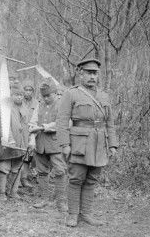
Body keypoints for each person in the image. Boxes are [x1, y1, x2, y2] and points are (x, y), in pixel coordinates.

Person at [57, 58, 118, 227]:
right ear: (80, 73)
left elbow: (110, 123)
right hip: (79, 144)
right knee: (76, 179)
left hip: (99, 144)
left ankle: (87, 214)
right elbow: (62, 121)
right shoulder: (71, 93)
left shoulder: (104, 96)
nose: (92, 77)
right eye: (88, 73)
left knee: (92, 180)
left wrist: (112, 144)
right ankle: (72, 215)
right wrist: (64, 144)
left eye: (95, 73)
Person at [29, 80, 67, 212]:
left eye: (48, 95)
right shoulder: (39, 105)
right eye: (44, 96)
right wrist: (32, 137)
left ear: (55, 93)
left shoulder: (62, 104)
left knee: (60, 171)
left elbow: (62, 122)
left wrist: (43, 127)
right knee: (42, 172)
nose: (46, 98)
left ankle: (61, 202)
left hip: (56, 144)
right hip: (40, 144)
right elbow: (32, 122)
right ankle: (44, 199)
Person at [0, 84, 33, 201]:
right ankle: (1, 193)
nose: (19, 97)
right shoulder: (5, 107)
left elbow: (28, 126)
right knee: (3, 167)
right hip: (7, 144)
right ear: (11, 95)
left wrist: (29, 142)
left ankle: (13, 191)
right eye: (16, 95)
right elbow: (3, 126)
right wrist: (9, 139)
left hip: (22, 144)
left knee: (17, 168)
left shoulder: (25, 109)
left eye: (21, 95)